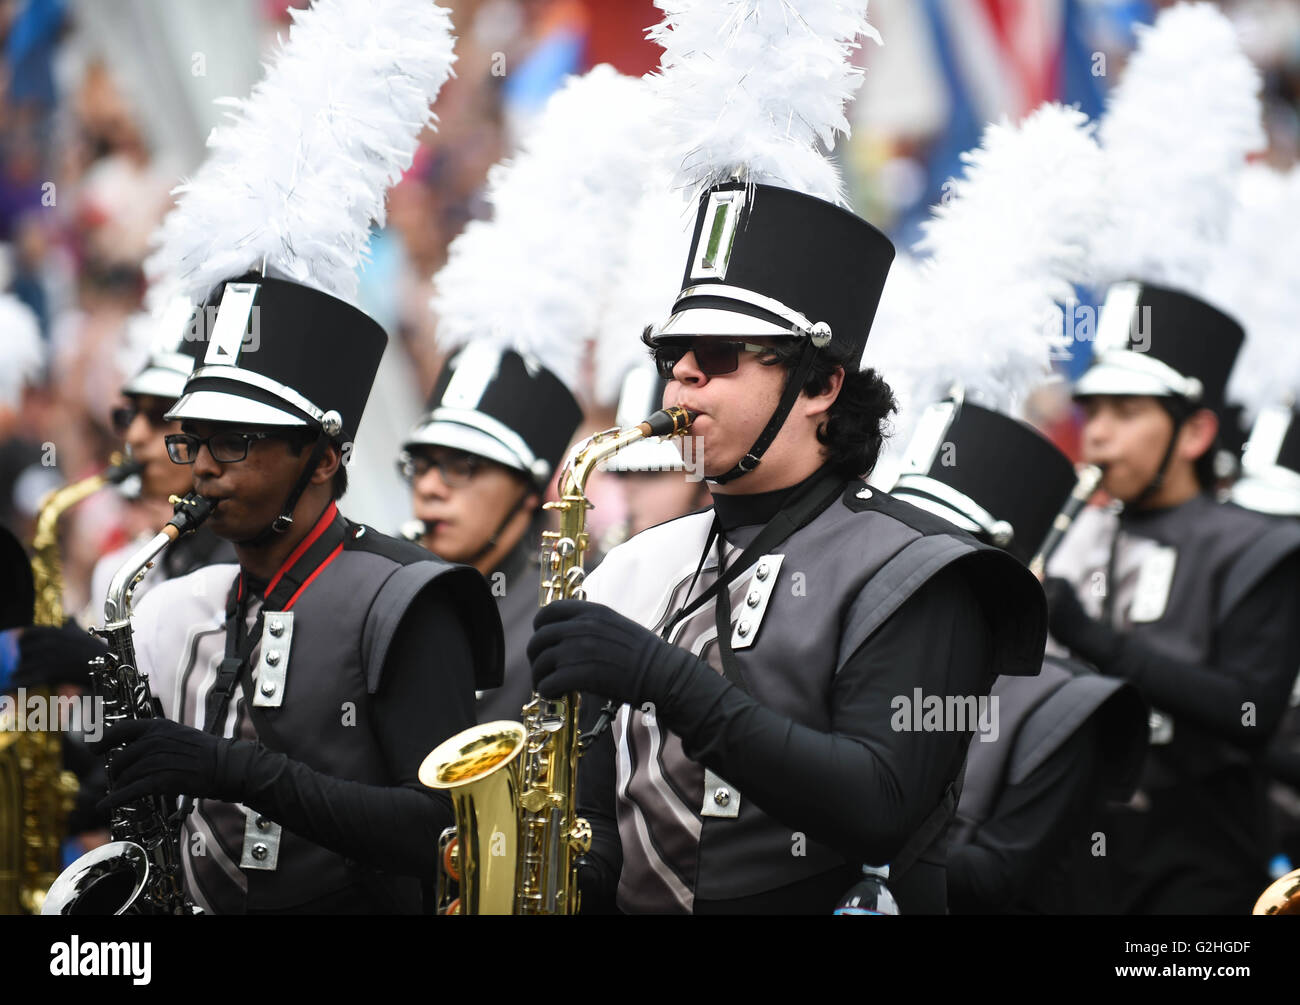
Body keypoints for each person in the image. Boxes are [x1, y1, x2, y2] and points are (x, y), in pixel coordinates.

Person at [527, 179, 1047, 915]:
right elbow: (606, 820)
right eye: (671, 354)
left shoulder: (926, 570)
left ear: (822, 383)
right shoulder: (637, 564)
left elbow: (879, 804)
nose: (682, 374)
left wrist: (663, 676)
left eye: (717, 353)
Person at [98, 275, 502, 914]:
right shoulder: (187, 598)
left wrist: (232, 771)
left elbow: (444, 832)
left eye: (233, 441)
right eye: (194, 440)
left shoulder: (410, 597)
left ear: (320, 460)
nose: (201, 465)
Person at [1044, 282, 1300, 913]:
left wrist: (1091, 637)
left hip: (1198, 858)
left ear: (1194, 433)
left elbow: (1249, 709)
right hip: (1073, 845)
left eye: (1126, 412)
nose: (1097, 435)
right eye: (1092, 411)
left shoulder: (1256, 546)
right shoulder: (1077, 529)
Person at [890, 398, 1147, 914]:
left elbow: (998, 877)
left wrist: (832, 830)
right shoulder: (831, 649)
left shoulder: (1063, 705)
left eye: (939, 553)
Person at [398, 343, 582, 722]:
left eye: (463, 465)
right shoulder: (378, 575)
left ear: (530, 493)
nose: (430, 486)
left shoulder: (564, 613)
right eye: (422, 463)